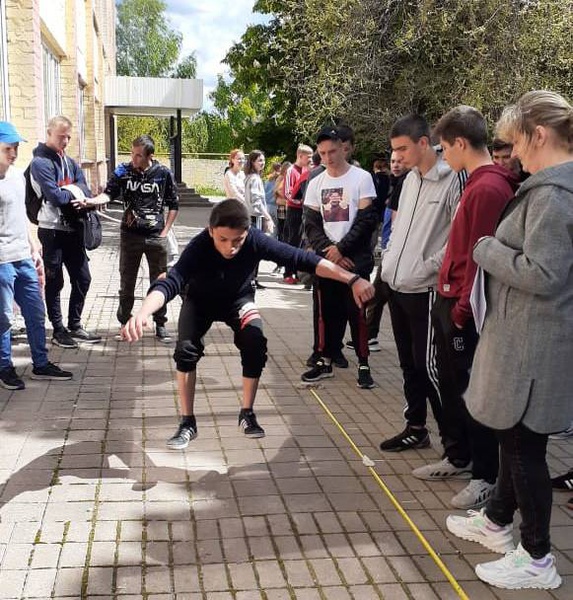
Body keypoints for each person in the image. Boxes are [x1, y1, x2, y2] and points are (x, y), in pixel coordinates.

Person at [446, 90, 573, 590]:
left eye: (517, 141)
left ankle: (537, 556)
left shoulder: (553, 195)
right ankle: (498, 520)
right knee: (513, 439)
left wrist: (486, 250)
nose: (513, 153)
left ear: (539, 135)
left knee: (524, 450)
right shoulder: (550, 189)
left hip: (533, 350)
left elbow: (545, 272)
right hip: (528, 344)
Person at [121, 198, 374, 450]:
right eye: (222, 240)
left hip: (238, 300)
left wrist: (352, 279)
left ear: (247, 233)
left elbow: (304, 260)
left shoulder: (255, 239)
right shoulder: (199, 246)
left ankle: (247, 413)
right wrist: (143, 312)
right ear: (211, 231)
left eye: (237, 241)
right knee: (185, 350)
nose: (230, 248)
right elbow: (171, 281)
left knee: (255, 343)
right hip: (200, 301)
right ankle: (187, 422)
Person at [410, 106, 519, 510]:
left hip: (464, 307)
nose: (443, 156)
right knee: (457, 387)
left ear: (460, 143)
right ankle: (462, 458)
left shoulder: (488, 188)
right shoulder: (474, 183)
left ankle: (485, 476)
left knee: (473, 392)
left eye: (444, 148)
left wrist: (459, 313)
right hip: (452, 298)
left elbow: (481, 256)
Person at [378, 114, 464, 452]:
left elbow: (458, 240)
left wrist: (427, 269)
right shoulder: (410, 180)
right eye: (393, 149)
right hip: (398, 286)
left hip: (426, 291)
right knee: (409, 365)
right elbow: (400, 229)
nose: (397, 156)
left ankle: (456, 446)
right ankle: (416, 427)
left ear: (424, 143)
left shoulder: (453, 179)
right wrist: (389, 261)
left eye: (402, 148)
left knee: (432, 369)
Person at [301, 125, 378, 389]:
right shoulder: (315, 183)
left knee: (357, 313)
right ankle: (324, 360)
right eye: (322, 153)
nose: (328, 157)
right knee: (325, 313)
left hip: (354, 259)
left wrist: (342, 249)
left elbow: (367, 220)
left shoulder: (362, 178)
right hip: (326, 261)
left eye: (332, 151)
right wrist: (330, 252)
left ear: (343, 148)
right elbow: (310, 224)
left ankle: (364, 363)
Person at [0, 121, 73, 389]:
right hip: (2, 262)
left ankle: (40, 364)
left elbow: (22, 214)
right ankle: (5, 367)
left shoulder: (18, 177)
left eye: (17, 148)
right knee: (4, 318)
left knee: (35, 312)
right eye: (8, 148)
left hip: (23, 257)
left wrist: (33, 243)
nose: (14, 153)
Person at [97, 135, 179, 343]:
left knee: (159, 282)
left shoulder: (163, 173)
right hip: (130, 236)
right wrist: (92, 201)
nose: (134, 159)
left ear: (150, 156)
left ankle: (160, 324)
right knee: (127, 282)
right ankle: (124, 322)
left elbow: (174, 204)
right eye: (132, 154)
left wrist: (165, 231)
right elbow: (109, 194)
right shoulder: (123, 171)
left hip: (155, 236)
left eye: (139, 156)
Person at [31, 115, 101, 349]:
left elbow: (86, 188)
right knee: (55, 280)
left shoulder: (70, 162)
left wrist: (70, 190)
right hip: (51, 231)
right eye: (62, 136)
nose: (66, 140)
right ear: (49, 133)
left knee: (83, 278)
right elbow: (55, 197)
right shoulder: (40, 163)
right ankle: (58, 329)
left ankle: (75, 324)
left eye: (69, 136)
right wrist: (74, 192)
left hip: (73, 229)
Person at [354, 151, 408, 352]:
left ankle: (369, 336)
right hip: (388, 249)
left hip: (394, 253)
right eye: (392, 161)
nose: (395, 165)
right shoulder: (395, 185)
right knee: (380, 295)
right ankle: (370, 335)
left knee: (377, 295)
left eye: (399, 161)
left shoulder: (406, 184)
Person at [283, 144, 313, 284]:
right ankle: (288, 272)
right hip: (294, 210)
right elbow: (287, 193)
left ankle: (297, 270)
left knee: (301, 242)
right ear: (300, 156)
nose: (310, 159)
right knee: (292, 241)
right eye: (308, 157)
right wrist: (300, 201)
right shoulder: (291, 171)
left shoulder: (307, 170)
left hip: (304, 210)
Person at [243, 150, 275, 234]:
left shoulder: (249, 177)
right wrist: (268, 217)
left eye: (263, 160)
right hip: (255, 217)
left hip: (249, 216)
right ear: (253, 162)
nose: (263, 163)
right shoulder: (254, 178)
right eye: (260, 160)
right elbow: (257, 201)